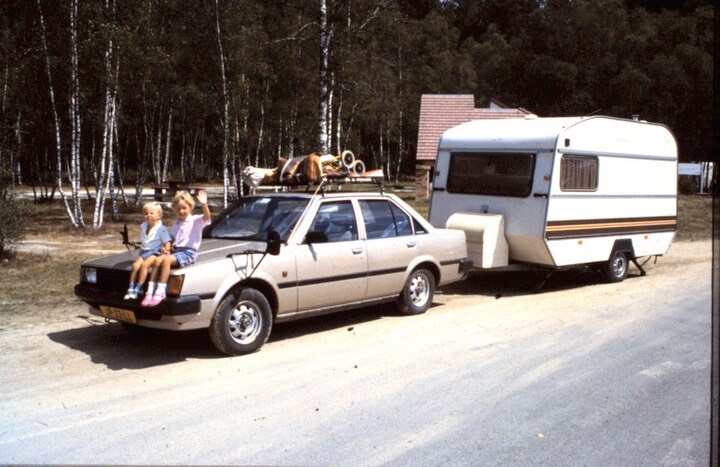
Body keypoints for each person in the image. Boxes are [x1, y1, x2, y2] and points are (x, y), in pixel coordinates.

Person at [141, 189, 211, 307]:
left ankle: (161, 291)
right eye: (178, 209)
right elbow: (171, 239)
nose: (181, 211)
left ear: (190, 207)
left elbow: (207, 216)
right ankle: (150, 291)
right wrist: (165, 248)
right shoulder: (176, 223)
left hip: (188, 252)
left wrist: (204, 204)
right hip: (175, 251)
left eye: (184, 208)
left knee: (166, 260)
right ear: (174, 210)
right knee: (157, 260)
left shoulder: (196, 220)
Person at [124, 202, 172, 300]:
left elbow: (167, 242)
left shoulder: (161, 229)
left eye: (151, 213)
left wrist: (166, 249)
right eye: (146, 213)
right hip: (144, 251)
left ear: (159, 215)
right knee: (135, 266)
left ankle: (139, 288)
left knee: (144, 266)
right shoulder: (144, 226)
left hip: (155, 252)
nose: (148, 215)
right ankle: (131, 287)